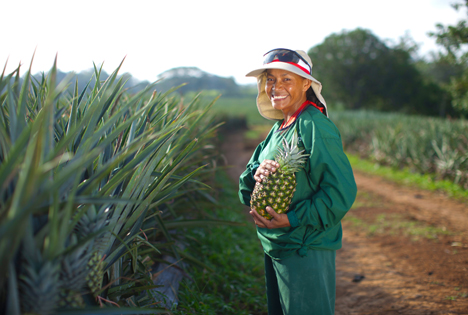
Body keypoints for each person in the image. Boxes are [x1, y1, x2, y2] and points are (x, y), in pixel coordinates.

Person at [238, 48, 357, 315]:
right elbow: (245, 190)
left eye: (286, 79)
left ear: (306, 84)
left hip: (305, 248)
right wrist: (257, 172)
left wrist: (292, 218)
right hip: (276, 245)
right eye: (271, 79)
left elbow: (340, 192)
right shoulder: (278, 129)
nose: (276, 87)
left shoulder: (314, 125)